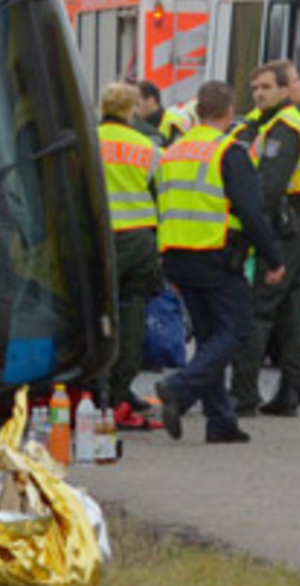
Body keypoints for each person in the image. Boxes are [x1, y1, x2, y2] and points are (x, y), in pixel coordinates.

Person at [154, 80, 285, 444]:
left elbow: (160, 205)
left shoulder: (173, 152)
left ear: (198, 113)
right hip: (215, 255)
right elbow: (251, 210)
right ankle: (179, 388)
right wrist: (274, 258)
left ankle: (221, 420)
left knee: (210, 335)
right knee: (238, 330)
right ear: (229, 112)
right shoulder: (228, 151)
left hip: (177, 255)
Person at [229, 60, 300, 416]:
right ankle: (291, 391)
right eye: (255, 88)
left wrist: (252, 230)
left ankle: (243, 394)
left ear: (286, 91)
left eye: (267, 87)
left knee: (259, 306)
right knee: (290, 309)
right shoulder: (267, 124)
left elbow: (269, 186)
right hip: (295, 221)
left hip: (287, 223)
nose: (259, 94)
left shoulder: (285, 128)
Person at [95, 83, 164, 426]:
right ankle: (122, 389)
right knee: (133, 313)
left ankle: (97, 388)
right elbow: (160, 195)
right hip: (138, 240)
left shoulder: (88, 142)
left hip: (97, 241)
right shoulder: (147, 147)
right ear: (132, 109)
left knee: (98, 312)